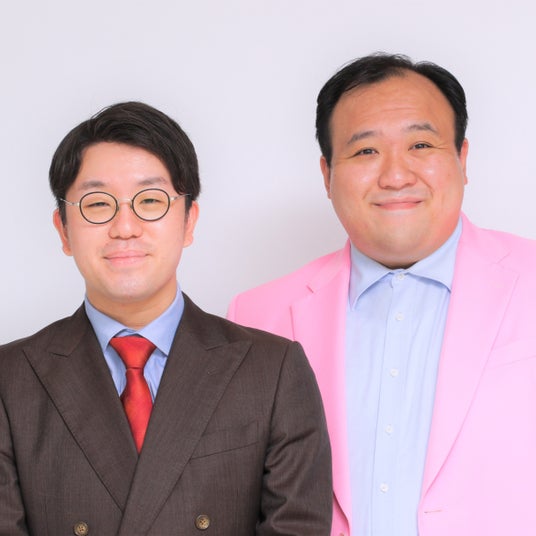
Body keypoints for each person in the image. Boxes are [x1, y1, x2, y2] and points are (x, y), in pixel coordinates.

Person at [228, 53, 536, 535]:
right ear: (327, 175)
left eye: (421, 144)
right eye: (366, 151)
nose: (395, 176)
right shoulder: (257, 315)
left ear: (462, 159)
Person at [0, 101, 332, 535]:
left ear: (189, 220)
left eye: (150, 201)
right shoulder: (10, 381)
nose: (125, 227)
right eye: (97, 204)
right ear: (63, 229)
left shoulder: (272, 371)